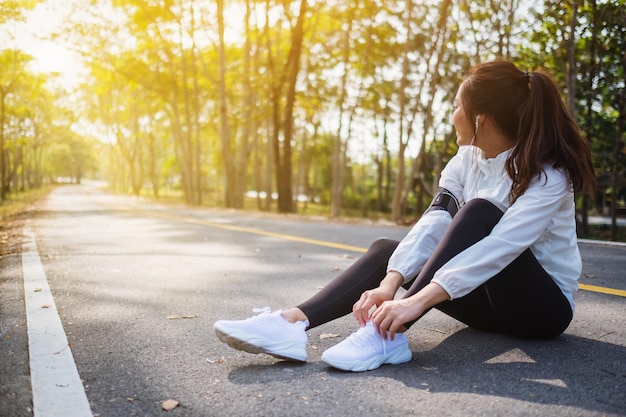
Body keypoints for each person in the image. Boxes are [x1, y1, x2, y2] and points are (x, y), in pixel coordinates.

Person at [213, 60, 597, 372]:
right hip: (486, 304)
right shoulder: (467, 161)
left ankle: (386, 336)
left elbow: (501, 247)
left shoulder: (548, 176)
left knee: (480, 213)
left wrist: (412, 302)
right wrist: (391, 282)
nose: (453, 115)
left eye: (457, 106)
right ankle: (292, 323)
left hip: (541, 311)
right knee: (387, 251)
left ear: (480, 119)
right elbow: (436, 219)